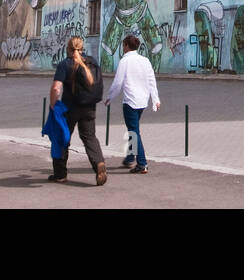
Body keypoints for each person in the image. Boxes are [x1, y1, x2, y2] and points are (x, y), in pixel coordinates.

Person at [50, 36, 107, 185]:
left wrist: (52, 105)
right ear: (82, 48)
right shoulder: (92, 61)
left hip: (70, 108)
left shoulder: (65, 64)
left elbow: (56, 87)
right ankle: (99, 163)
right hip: (89, 107)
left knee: (62, 138)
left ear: (68, 48)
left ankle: (60, 174)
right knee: (89, 137)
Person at [105, 34, 161, 174]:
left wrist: (110, 97)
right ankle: (130, 158)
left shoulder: (125, 61)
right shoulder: (145, 60)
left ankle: (142, 163)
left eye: (123, 45)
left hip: (130, 101)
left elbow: (118, 82)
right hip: (143, 101)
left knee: (134, 132)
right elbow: (151, 81)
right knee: (133, 128)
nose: (123, 48)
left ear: (126, 46)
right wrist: (155, 99)